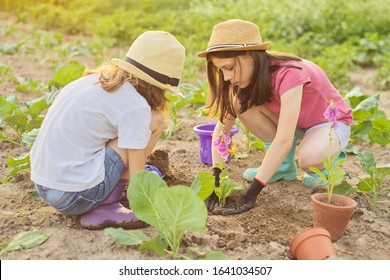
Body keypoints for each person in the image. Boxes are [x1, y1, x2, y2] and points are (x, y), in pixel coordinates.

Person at [30, 31, 185, 229]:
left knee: (127, 133)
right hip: (75, 196)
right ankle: (108, 203)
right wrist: (145, 199)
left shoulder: (91, 82)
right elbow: (136, 178)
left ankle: (104, 190)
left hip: (44, 184)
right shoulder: (135, 105)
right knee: (156, 120)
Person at [198, 19, 352, 215]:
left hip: (328, 123)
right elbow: (222, 128)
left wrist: (252, 193)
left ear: (248, 56)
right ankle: (283, 167)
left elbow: (284, 139)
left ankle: (327, 165)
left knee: (308, 159)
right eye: (221, 70)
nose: (226, 77)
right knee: (239, 104)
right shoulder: (242, 79)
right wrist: (216, 179)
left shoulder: (289, 73)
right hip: (295, 122)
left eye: (228, 68)